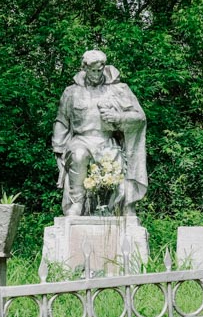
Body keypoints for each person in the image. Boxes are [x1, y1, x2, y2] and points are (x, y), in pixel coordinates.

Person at [52, 50, 147, 216]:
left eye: (100, 70)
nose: (97, 74)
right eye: (93, 70)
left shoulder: (118, 90)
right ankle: (77, 203)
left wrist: (118, 117)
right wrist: (58, 148)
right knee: (78, 155)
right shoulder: (71, 92)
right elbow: (62, 120)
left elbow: (139, 118)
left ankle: (114, 208)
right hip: (81, 140)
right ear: (84, 68)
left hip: (107, 141)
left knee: (114, 161)